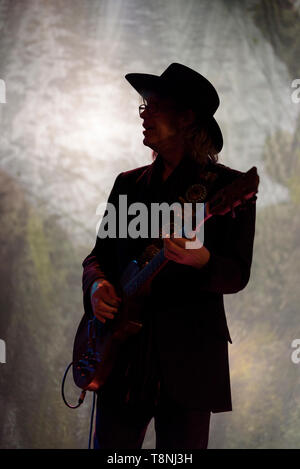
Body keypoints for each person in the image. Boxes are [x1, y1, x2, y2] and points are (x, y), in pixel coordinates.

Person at [81, 63, 257, 449]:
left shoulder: (229, 187)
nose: (144, 114)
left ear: (187, 117)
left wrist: (203, 260)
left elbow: (237, 273)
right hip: (121, 357)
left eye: (155, 106)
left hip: (189, 362)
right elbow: (97, 258)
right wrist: (97, 287)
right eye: (143, 106)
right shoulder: (127, 185)